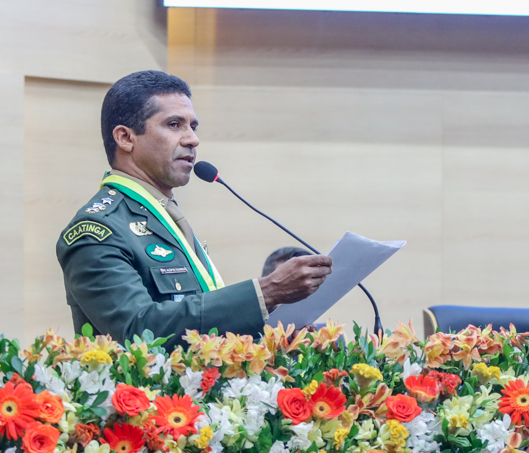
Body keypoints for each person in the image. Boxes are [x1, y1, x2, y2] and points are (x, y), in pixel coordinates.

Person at [56, 70, 332, 348]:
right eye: (174, 124)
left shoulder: (163, 217)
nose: (192, 140)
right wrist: (266, 292)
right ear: (126, 138)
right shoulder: (98, 230)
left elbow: (196, 327)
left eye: (193, 126)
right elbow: (138, 330)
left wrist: (270, 337)